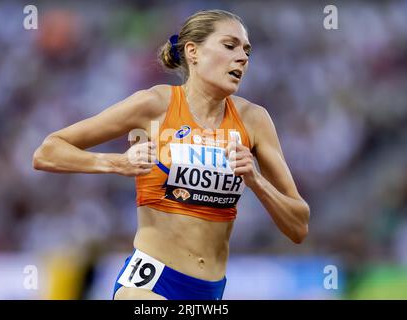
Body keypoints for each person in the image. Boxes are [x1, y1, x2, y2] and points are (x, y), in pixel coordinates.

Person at [32, 9, 310, 300]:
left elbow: (298, 226)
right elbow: (48, 151)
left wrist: (256, 180)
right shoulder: (155, 104)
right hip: (151, 282)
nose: (242, 57)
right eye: (230, 46)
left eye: (246, 50)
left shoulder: (254, 120)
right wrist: (117, 162)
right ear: (193, 52)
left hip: (210, 291)